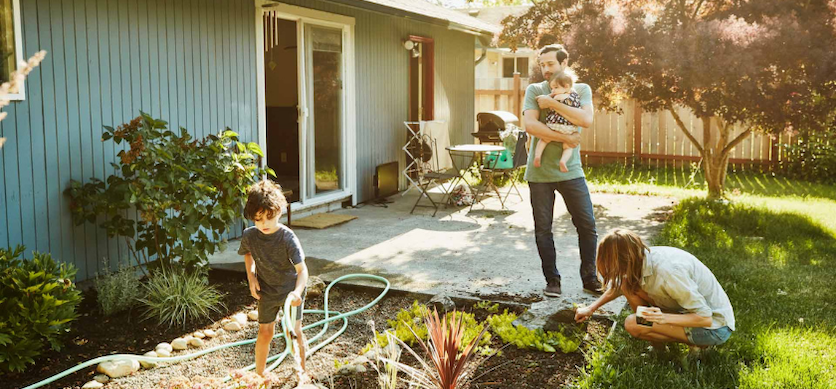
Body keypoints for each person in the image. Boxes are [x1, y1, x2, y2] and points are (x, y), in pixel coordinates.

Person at [523, 44, 603, 297]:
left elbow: (585, 120)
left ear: (564, 62)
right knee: (543, 229)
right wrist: (565, 139)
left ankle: (590, 277)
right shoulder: (534, 90)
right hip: (540, 174)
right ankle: (552, 280)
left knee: (587, 225)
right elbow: (531, 125)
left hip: (571, 171)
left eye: (550, 64)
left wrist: (553, 104)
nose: (545, 69)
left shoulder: (581, 89)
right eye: (542, 64)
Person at [574, 229, 735, 351]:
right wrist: (591, 308)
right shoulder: (641, 258)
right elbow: (619, 286)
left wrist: (663, 318)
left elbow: (704, 317)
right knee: (628, 286)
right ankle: (658, 346)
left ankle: (697, 346)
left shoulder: (669, 272)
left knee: (633, 323)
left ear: (625, 261)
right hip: (686, 312)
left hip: (714, 328)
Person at [238, 179, 310, 383]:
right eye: (258, 219)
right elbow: (248, 254)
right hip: (267, 290)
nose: (264, 224)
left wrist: (297, 292)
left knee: (293, 331)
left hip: (290, 291)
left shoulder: (287, 238)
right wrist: (251, 276)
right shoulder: (250, 236)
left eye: (269, 218)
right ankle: (259, 375)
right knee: (265, 331)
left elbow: (303, 270)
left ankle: (301, 374)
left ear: (279, 212)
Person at [533, 69, 581, 172]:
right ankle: (563, 161)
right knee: (568, 147)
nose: (553, 91)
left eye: (555, 88)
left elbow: (548, 102)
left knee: (543, 140)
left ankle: (537, 156)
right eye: (551, 88)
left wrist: (544, 98)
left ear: (566, 87)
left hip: (555, 125)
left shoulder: (559, 96)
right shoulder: (575, 95)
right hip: (569, 128)